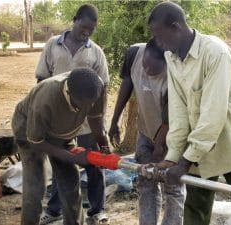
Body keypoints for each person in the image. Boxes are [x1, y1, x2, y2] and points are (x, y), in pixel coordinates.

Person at [146, 2, 231, 225]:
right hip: (197, 150)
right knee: (195, 213)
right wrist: (173, 157)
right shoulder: (172, 58)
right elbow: (178, 110)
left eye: (160, 37)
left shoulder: (215, 53)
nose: (159, 44)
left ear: (177, 27)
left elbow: (213, 115)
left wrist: (184, 161)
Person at [35, 4, 109, 224]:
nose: (86, 32)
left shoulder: (95, 53)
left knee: (94, 163)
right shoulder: (52, 45)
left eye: (91, 30)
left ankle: (97, 211)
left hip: (86, 123)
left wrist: (100, 126)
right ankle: (54, 210)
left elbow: (102, 89)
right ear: (74, 19)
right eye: (84, 27)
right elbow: (41, 80)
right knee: (62, 164)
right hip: (59, 122)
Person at [12, 68, 109, 225]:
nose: (89, 107)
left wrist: (103, 143)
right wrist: (72, 157)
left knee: (70, 181)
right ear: (70, 93)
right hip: (30, 132)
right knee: (35, 186)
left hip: (63, 132)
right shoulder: (45, 100)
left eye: (92, 102)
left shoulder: (95, 87)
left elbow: (95, 116)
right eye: (84, 104)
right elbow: (37, 142)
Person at [108, 39, 184, 225]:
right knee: (145, 182)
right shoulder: (135, 53)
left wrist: (160, 149)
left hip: (172, 138)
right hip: (145, 130)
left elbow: (169, 120)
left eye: (153, 69)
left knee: (172, 186)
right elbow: (127, 82)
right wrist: (114, 120)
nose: (147, 72)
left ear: (165, 61)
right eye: (145, 66)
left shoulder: (174, 74)